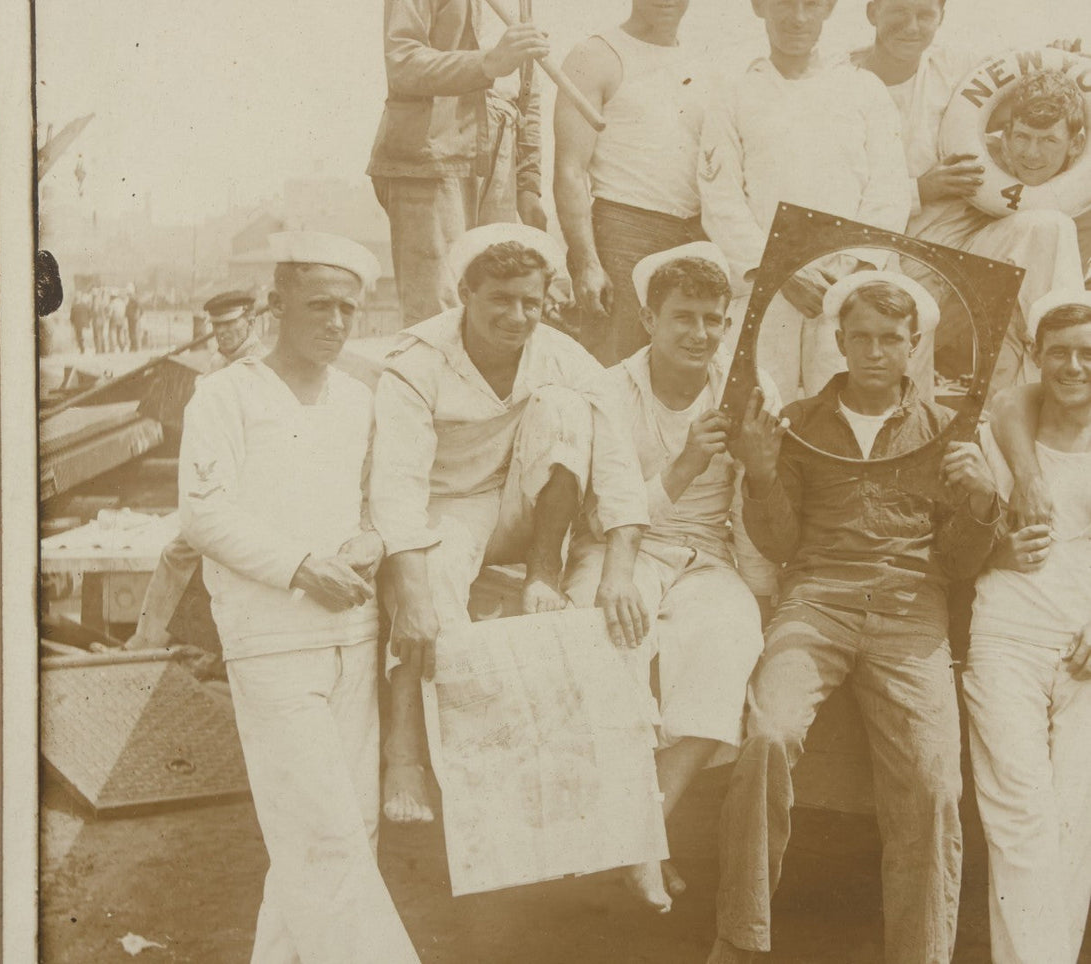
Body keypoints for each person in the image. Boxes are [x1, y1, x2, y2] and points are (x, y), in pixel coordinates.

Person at [708, 272, 1001, 964]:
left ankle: (920, 954)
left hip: (909, 611)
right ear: (837, 341)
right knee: (767, 737)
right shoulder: (800, 423)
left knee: (933, 783)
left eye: (889, 340)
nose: (874, 351)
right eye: (860, 337)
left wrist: (983, 500)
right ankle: (740, 937)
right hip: (816, 600)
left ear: (913, 346)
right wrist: (757, 471)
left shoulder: (946, 431)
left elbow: (958, 565)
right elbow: (779, 545)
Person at [178, 231, 419, 964]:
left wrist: (367, 545)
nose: (336, 323)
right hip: (271, 640)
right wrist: (300, 565)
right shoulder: (222, 395)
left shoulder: (358, 399)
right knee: (324, 834)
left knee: (333, 836)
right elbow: (204, 513)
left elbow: (383, 507)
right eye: (319, 306)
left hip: (352, 636)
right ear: (276, 305)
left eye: (349, 309)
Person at [369, 223, 649, 824]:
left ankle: (542, 574)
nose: (517, 316)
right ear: (464, 293)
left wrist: (620, 569)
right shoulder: (416, 361)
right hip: (446, 506)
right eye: (500, 299)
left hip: (529, 507)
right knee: (433, 581)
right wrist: (411, 596)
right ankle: (407, 752)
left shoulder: (562, 355)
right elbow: (397, 488)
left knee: (564, 406)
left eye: (530, 300)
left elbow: (619, 468)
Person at [560, 242, 781, 910]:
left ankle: (638, 830)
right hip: (619, 547)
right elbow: (601, 511)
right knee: (600, 638)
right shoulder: (606, 389)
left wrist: (761, 463)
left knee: (729, 641)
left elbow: (761, 501)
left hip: (707, 555)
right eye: (683, 317)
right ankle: (639, 840)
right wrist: (684, 465)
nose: (700, 334)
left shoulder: (747, 385)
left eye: (713, 319)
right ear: (649, 317)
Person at [848, 3, 1087, 395]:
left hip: (978, 250)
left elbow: (1030, 89)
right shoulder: (841, 81)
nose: (912, 26)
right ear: (872, 11)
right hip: (900, 258)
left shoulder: (955, 66)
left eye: (925, 14)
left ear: (941, 17)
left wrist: (1066, 60)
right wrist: (919, 190)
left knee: (1050, 227)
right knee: (906, 391)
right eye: (898, 11)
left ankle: (1060, 393)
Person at [960, 289, 1091, 964]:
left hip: (1085, 653)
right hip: (1006, 636)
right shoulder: (1000, 431)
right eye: (1059, 353)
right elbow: (954, 538)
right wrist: (996, 547)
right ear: (1035, 358)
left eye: (1087, 353)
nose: (1074, 366)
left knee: (1076, 822)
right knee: (1021, 816)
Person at [698, 0, 912, 401]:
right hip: (768, 285)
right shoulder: (734, 92)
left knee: (844, 415)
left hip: (849, 286)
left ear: (828, 9)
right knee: (758, 412)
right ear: (759, 7)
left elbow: (889, 189)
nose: (797, 17)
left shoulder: (862, 89)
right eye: (782, 3)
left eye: (810, 4)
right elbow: (720, 196)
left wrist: (856, 270)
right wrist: (780, 272)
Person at [367, 0, 549, 327]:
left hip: (502, 153)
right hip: (433, 152)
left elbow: (528, 88)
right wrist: (489, 62)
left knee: (495, 311)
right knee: (437, 315)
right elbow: (402, 61)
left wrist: (528, 180)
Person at [553, 0, 710, 366]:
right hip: (622, 235)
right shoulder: (593, 55)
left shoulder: (703, 60)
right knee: (614, 370)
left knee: (679, 376)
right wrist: (587, 262)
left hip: (694, 234)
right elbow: (570, 170)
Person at [125, 289, 271, 652]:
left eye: (230, 325)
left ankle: (146, 643)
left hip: (248, 487)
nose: (222, 333)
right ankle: (156, 642)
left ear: (250, 323)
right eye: (217, 326)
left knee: (181, 555)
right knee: (188, 556)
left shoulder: (259, 367)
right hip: (220, 484)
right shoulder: (218, 365)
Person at [203, 288, 266, 374]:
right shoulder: (218, 361)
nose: (220, 330)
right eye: (216, 324)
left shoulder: (261, 364)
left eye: (228, 323)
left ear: (251, 322)